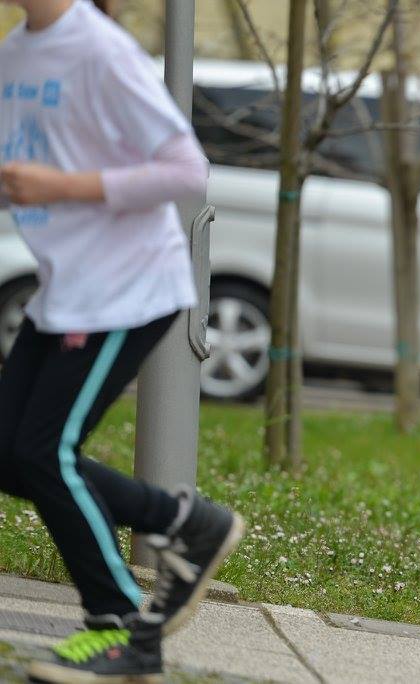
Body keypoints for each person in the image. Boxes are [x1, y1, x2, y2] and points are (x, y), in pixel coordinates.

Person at [0, 1, 244, 681]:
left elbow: (185, 170)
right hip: (67, 289)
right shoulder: (17, 53)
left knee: (44, 452)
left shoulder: (100, 51)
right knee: (9, 454)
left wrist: (63, 186)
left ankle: (122, 633)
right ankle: (187, 523)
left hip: (125, 290)